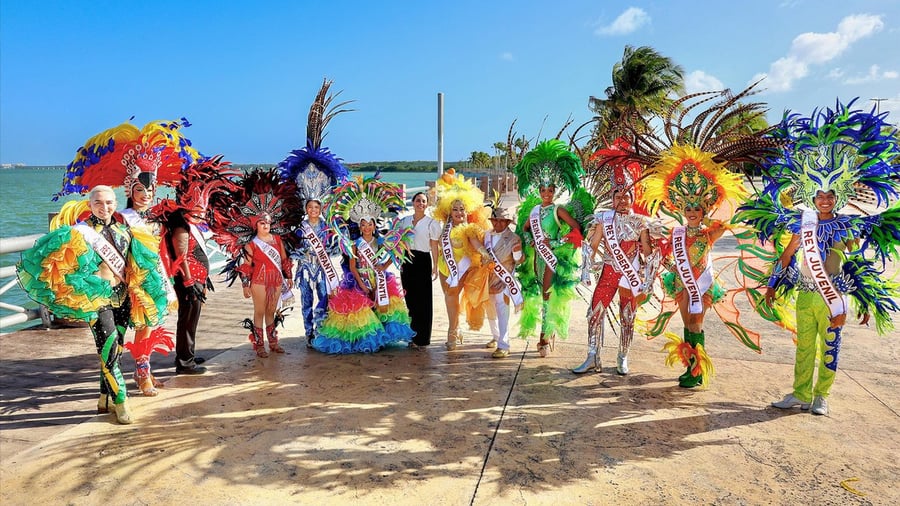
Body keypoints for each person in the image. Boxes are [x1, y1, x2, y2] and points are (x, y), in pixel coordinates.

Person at [602, 85, 775, 388]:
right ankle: (691, 367)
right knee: (686, 323)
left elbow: (733, 218)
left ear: (704, 207)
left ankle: (697, 371)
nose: (692, 211)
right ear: (681, 208)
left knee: (697, 321)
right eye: (688, 207)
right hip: (681, 281)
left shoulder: (709, 231)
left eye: (698, 207)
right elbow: (665, 251)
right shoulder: (677, 230)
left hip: (703, 283)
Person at [736, 99, 900, 415]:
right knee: (804, 348)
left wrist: (865, 299)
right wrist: (771, 285)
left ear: (839, 195)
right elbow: (787, 256)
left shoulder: (846, 227)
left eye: (830, 195)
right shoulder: (803, 224)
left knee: (829, 349)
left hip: (833, 295)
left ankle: (821, 396)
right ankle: (800, 393)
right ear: (811, 196)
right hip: (805, 295)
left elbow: (856, 263)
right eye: (819, 195)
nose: (824, 200)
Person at [51, 119, 199, 396]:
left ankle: (145, 371)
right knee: (134, 330)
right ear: (130, 190)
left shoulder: (158, 215)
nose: (145, 195)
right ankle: (133, 378)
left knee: (152, 327)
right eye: (140, 190)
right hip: (129, 282)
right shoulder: (120, 218)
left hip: (156, 277)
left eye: (150, 189)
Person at [17, 185, 169, 424]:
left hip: (122, 298)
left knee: (116, 350)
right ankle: (121, 401)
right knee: (107, 350)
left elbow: (139, 266)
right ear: (90, 205)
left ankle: (103, 398)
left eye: (109, 202)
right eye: (98, 202)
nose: (104, 207)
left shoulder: (126, 231)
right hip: (97, 301)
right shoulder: (79, 233)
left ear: (115, 204)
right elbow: (64, 267)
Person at [278, 77, 351, 347]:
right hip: (305, 268)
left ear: (321, 206)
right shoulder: (300, 226)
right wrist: (300, 252)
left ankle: (322, 330)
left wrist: (331, 248)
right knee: (307, 299)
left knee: (325, 296)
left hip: (323, 268)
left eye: (316, 206)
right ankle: (309, 331)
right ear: (305, 206)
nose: (312, 208)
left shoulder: (329, 225)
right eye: (309, 206)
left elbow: (338, 245)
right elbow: (293, 244)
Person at [152, 156, 240, 375]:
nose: (202, 212)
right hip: (188, 281)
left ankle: (188, 353)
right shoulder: (180, 222)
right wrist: (190, 281)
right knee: (187, 319)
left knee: (192, 319)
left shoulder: (190, 222)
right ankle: (184, 362)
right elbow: (181, 255)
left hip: (197, 280)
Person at [313, 175, 416, 353]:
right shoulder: (354, 244)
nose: (367, 227)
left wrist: (384, 267)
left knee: (382, 306)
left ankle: (382, 338)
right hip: (359, 279)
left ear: (375, 226)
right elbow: (352, 266)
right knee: (361, 313)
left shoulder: (381, 241)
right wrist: (362, 284)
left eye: (370, 224)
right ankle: (365, 340)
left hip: (378, 278)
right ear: (360, 227)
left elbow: (396, 250)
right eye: (364, 225)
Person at [514, 139, 593, 357]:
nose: (546, 192)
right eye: (543, 189)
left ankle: (544, 338)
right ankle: (547, 333)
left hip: (552, 259)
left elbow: (577, 230)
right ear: (538, 191)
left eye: (550, 189)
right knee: (537, 294)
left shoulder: (559, 210)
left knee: (548, 295)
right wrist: (530, 239)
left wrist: (555, 243)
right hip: (535, 259)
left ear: (555, 191)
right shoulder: (534, 211)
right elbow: (526, 229)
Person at [576, 158, 656, 375]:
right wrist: (586, 267)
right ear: (612, 199)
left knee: (628, 317)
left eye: (625, 196)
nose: (621, 200)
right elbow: (592, 245)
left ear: (632, 198)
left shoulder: (640, 222)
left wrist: (649, 275)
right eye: (617, 196)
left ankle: (623, 356)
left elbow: (648, 251)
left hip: (630, 277)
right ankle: (592, 356)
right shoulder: (603, 219)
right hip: (608, 273)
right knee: (594, 312)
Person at [211, 167, 301, 357]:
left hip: (276, 278)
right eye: (262, 223)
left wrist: (289, 276)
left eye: (268, 222)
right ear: (255, 225)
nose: (265, 225)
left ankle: (274, 342)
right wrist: (245, 285)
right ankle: (259, 344)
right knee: (259, 311)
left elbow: (284, 259)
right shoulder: (251, 244)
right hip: (259, 280)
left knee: (271, 310)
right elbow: (245, 266)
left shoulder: (277, 240)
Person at [432, 169, 492, 351]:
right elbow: (435, 245)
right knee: (450, 299)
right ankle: (455, 328)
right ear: (449, 212)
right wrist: (434, 266)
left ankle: (453, 331)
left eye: (462, 209)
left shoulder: (469, 229)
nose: (459, 213)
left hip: (464, 269)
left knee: (459, 297)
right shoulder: (443, 228)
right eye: (455, 209)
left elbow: (476, 243)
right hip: (445, 268)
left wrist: (485, 253)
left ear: (467, 212)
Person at [399, 191, 441, 349]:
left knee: (423, 300)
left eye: (424, 201)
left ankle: (422, 338)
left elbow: (434, 246)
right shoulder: (404, 221)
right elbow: (398, 240)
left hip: (423, 260)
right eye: (418, 200)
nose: (420, 203)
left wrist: (435, 265)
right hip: (407, 260)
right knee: (410, 299)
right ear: (413, 202)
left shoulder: (432, 223)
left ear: (427, 204)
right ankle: (412, 335)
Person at [483, 204, 523, 358]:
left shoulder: (514, 238)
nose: (498, 224)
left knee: (502, 312)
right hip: (487, 280)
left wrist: (518, 253)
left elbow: (519, 261)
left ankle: (504, 344)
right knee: (490, 310)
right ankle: (496, 336)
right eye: (496, 220)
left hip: (504, 280)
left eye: (502, 221)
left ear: (507, 223)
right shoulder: (486, 236)